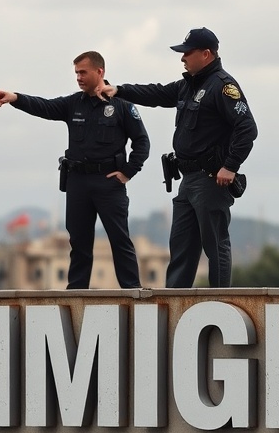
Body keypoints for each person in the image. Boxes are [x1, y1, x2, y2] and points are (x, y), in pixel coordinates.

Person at [100, 28, 257, 288]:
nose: (182, 58)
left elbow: (247, 127)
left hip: (210, 179)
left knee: (216, 246)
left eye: (187, 53)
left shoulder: (222, 86)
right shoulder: (188, 84)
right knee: (182, 248)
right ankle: (175, 307)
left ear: (206, 54)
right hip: (188, 180)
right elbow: (156, 93)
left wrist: (230, 166)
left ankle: (220, 301)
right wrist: (119, 90)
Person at [0, 51, 150, 289]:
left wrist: (127, 173)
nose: (78, 78)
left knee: (119, 240)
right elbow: (46, 107)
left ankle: (132, 290)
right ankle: (76, 294)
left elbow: (142, 142)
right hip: (78, 183)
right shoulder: (74, 103)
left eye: (83, 72)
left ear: (99, 72)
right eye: (76, 73)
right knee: (79, 243)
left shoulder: (121, 104)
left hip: (109, 183)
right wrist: (15, 98)